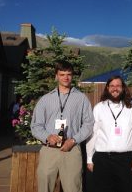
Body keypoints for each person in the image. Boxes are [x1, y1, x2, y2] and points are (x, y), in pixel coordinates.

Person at [31, 61, 94, 192]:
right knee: (44, 187)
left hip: (71, 149)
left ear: (72, 76)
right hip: (49, 150)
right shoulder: (45, 99)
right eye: (62, 74)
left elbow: (89, 124)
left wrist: (73, 140)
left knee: (73, 188)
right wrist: (47, 136)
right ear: (56, 76)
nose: (66, 77)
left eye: (69, 74)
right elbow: (36, 125)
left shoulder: (81, 99)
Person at [86, 75, 132, 192]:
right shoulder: (99, 107)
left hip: (125, 159)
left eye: (118, 85)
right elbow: (93, 134)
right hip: (102, 159)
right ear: (107, 88)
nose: (115, 88)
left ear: (123, 88)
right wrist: (89, 158)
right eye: (112, 86)